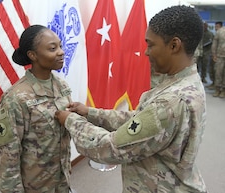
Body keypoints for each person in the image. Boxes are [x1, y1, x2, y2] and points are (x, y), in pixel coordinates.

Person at [55, 5, 207, 193]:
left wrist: (71, 120)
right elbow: (139, 121)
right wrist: (91, 113)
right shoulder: (186, 82)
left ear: (174, 45)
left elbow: (109, 147)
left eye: (151, 44)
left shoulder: (171, 101)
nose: (146, 52)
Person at [0, 25, 72, 192]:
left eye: (60, 46)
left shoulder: (61, 86)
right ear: (33, 55)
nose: (61, 52)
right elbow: (8, 156)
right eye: (53, 48)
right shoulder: (16, 98)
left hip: (62, 180)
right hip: (35, 186)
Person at [207, 21, 223, 90]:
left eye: (217, 26)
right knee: (215, 71)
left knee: (220, 72)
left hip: (220, 56)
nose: (216, 28)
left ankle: (221, 88)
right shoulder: (218, 33)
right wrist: (213, 54)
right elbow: (214, 44)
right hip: (217, 55)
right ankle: (215, 85)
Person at [211, 21, 225, 97]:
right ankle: (217, 89)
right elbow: (215, 43)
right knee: (218, 73)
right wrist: (214, 54)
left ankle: (223, 90)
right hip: (220, 56)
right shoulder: (220, 31)